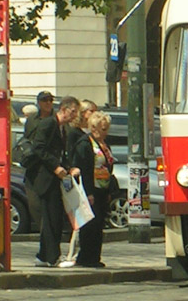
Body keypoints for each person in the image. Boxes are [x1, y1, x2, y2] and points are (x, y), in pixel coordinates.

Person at [26, 95, 79, 267]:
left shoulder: (63, 128)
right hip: (44, 177)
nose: (74, 115)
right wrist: (55, 166)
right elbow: (39, 147)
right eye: (72, 111)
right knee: (51, 217)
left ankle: (44, 255)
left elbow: (59, 151)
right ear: (63, 109)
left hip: (55, 178)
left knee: (54, 217)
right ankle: (51, 256)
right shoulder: (48, 123)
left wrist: (67, 167)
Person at [70, 110, 115, 268]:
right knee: (90, 224)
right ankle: (86, 257)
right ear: (93, 128)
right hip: (91, 189)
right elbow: (84, 168)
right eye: (103, 129)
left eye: (107, 128)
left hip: (103, 187)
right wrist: (88, 192)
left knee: (99, 223)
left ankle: (95, 256)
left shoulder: (104, 144)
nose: (105, 132)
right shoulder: (85, 143)